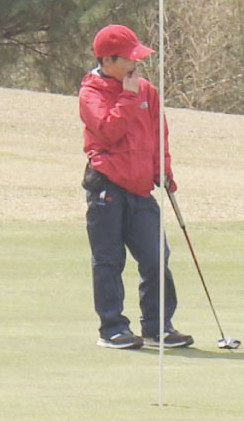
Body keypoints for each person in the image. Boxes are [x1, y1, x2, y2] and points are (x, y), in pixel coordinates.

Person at [79, 23, 193, 350]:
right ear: (108, 60)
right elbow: (109, 131)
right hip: (107, 188)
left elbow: (159, 136)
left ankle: (158, 326)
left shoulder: (147, 91)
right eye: (129, 59)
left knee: (157, 256)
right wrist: (127, 97)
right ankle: (112, 328)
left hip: (141, 190)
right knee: (109, 260)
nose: (135, 64)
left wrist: (164, 171)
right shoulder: (92, 93)